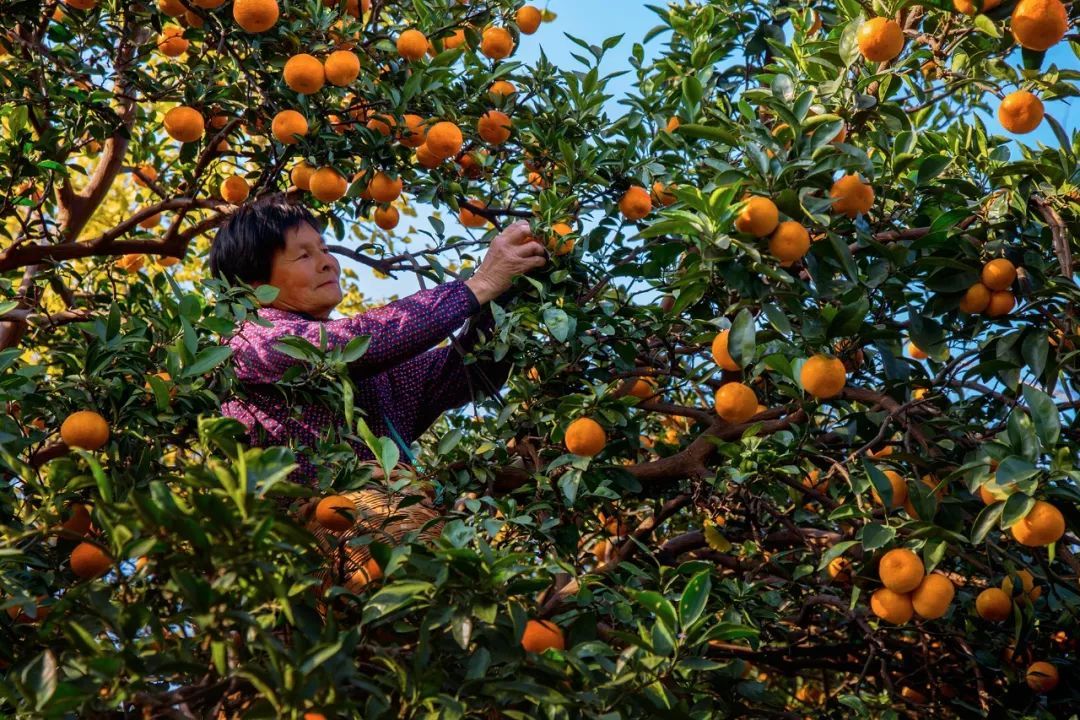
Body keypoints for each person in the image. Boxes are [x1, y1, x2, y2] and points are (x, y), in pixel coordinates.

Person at [209, 196, 546, 592]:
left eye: (325, 249)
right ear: (255, 288)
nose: (327, 262)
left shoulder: (366, 369)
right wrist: (481, 283)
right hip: (310, 552)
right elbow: (348, 344)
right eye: (303, 256)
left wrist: (510, 290)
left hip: (398, 538)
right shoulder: (245, 339)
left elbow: (461, 375)